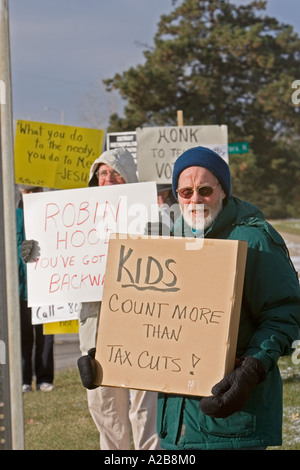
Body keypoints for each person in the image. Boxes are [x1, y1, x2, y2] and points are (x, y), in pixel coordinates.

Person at [149, 145, 300, 450]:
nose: (195, 199)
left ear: (223, 191)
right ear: (177, 196)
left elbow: (285, 312)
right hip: (175, 428)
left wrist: (252, 367)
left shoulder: (255, 240)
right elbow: (151, 317)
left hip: (233, 423)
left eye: (205, 189)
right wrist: (110, 355)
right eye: (186, 191)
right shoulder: (168, 243)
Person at [78, 148, 161, 450]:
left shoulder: (153, 220)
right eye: (102, 174)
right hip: (96, 324)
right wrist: (36, 251)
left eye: (116, 173)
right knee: (103, 402)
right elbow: (57, 261)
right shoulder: (75, 221)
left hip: (140, 319)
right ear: (94, 179)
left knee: (145, 400)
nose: (109, 179)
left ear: (130, 180)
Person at [17, 185, 54, 392]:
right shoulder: (12, 216)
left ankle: (44, 379)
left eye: (35, 191)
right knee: (24, 335)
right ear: (21, 192)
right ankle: (24, 379)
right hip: (21, 289)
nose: (31, 195)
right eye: (27, 191)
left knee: (45, 335)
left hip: (46, 285)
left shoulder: (50, 214)